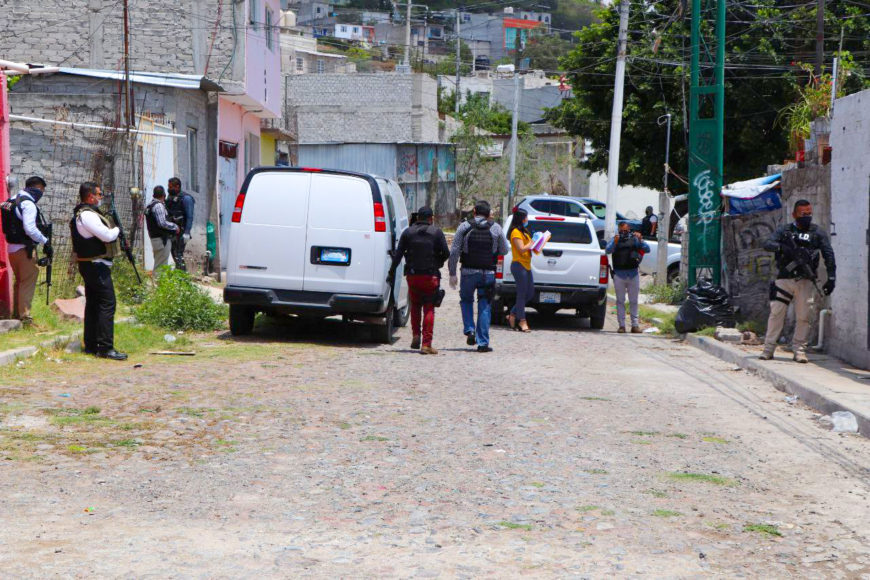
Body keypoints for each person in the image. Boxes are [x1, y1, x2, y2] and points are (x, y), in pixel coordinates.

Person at [760, 199, 836, 363]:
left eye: (809, 214)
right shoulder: (784, 230)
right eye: (803, 214)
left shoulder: (817, 233)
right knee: (776, 314)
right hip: (784, 280)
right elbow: (767, 243)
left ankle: (799, 350)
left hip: (806, 281)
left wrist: (831, 278)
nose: (807, 217)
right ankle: (768, 349)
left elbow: (828, 254)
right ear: (794, 214)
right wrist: (782, 248)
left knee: (803, 317)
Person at [70, 182, 127, 361]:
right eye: (99, 194)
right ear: (90, 196)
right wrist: (117, 228)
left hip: (93, 264)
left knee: (94, 304)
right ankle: (105, 347)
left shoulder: (85, 214)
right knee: (107, 303)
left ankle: (92, 345)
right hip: (96, 265)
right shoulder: (87, 215)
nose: (100, 198)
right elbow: (107, 236)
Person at [448, 200, 509, 352]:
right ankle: (483, 343)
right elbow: (504, 250)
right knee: (484, 305)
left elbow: (454, 251)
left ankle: (470, 330)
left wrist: (452, 273)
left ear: (474, 212)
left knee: (466, 300)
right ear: (488, 214)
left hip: (468, 272)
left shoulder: (464, 226)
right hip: (488, 273)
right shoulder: (496, 228)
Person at [388, 206, 449, 355]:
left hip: (413, 276)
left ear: (417, 217)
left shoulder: (407, 233)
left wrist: (391, 272)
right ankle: (426, 344)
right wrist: (438, 263)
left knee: (415, 305)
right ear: (431, 218)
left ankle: (416, 335)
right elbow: (446, 253)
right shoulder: (436, 232)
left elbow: (398, 255)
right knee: (429, 307)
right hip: (430, 276)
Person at [2, 176, 52, 325]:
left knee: (20, 281)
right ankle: (25, 318)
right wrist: (45, 241)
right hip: (25, 250)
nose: (41, 194)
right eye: (41, 190)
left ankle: (17, 315)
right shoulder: (28, 204)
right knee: (28, 281)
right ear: (37, 188)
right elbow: (30, 229)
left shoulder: (11, 201)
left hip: (11, 249)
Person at [606, 221, 650, 333]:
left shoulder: (634, 239)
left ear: (629, 229)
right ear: (619, 230)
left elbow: (647, 249)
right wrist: (615, 242)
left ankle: (635, 325)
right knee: (620, 301)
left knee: (633, 301)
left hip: (633, 274)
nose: (624, 233)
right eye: (622, 231)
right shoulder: (615, 239)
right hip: (619, 275)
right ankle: (622, 326)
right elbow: (607, 250)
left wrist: (640, 239)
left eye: (626, 230)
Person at [507, 208, 535, 332]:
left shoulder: (525, 232)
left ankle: (512, 314)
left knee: (530, 293)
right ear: (520, 219)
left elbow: (529, 248)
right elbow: (521, 248)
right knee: (522, 293)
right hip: (519, 265)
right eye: (525, 218)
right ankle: (522, 321)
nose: (527, 220)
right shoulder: (515, 232)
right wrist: (531, 243)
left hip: (527, 265)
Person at [145, 185, 179, 271]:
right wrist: (175, 226)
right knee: (161, 267)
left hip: (156, 239)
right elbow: (162, 223)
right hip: (161, 240)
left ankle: (158, 283)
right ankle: (158, 284)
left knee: (159, 263)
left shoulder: (149, 205)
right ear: (164, 195)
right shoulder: (158, 206)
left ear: (153, 195)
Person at [165, 177, 195, 271]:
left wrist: (187, 232)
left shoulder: (186, 198)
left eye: (170, 187)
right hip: (173, 231)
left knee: (178, 254)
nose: (169, 189)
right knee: (174, 253)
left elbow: (190, 217)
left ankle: (182, 278)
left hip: (182, 232)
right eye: (168, 186)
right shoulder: (170, 198)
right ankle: (180, 276)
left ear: (177, 186)